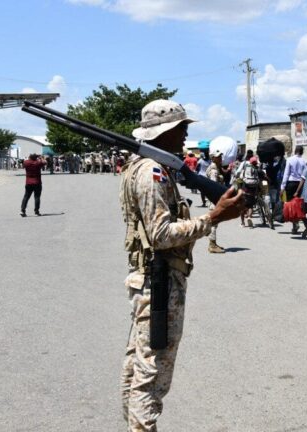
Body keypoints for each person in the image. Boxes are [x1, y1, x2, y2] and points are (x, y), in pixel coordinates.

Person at [119, 99, 244, 431]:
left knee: (139, 366)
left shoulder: (144, 166)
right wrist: (212, 218)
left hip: (153, 278)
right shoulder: (152, 171)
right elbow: (160, 235)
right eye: (183, 128)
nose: (186, 135)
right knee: (152, 374)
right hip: (159, 282)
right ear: (168, 131)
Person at [205, 149, 228, 254]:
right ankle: (212, 245)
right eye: (218, 157)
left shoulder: (216, 168)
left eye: (220, 156)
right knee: (214, 222)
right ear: (213, 158)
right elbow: (214, 186)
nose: (220, 158)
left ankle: (213, 242)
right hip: (214, 200)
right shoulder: (214, 171)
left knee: (215, 222)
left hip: (215, 199)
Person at [281, 146, 307, 234]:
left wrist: (282, 187)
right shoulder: (304, 161)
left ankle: (295, 224)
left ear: (295, 151)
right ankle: (301, 224)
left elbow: (286, 173)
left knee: (291, 205)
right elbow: (305, 175)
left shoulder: (290, 159)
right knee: (298, 204)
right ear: (302, 152)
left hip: (291, 183)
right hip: (300, 184)